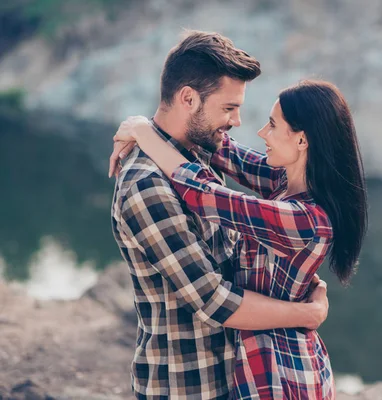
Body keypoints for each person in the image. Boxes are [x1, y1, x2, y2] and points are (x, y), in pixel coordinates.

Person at [111, 79, 368, 399]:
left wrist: (145, 133)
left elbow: (205, 195)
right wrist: (150, 123)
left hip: (281, 372)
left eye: (273, 125)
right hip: (260, 362)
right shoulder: (285, 182)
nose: (261, 133)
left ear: (301, 140)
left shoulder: (304, 220)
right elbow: (228, 153)